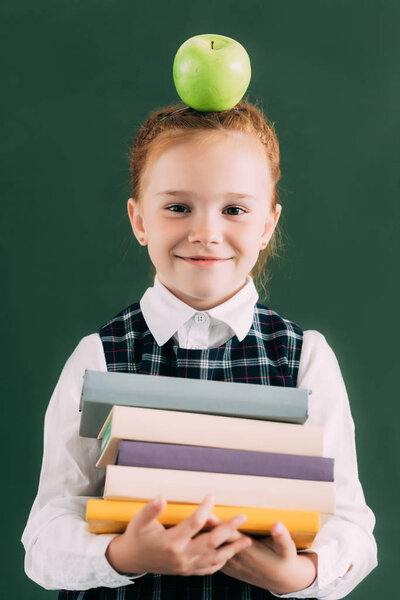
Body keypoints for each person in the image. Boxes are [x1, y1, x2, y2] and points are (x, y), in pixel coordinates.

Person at [21, 100, 378, 599]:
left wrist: (299, 575)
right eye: (177, 207)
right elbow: (44, 537)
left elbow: (350, 525)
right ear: (139, 219)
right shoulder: (97, 356)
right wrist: (125, 556)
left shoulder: (306, 358)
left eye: (234, 209)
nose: (205, 233)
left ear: (267, 226)